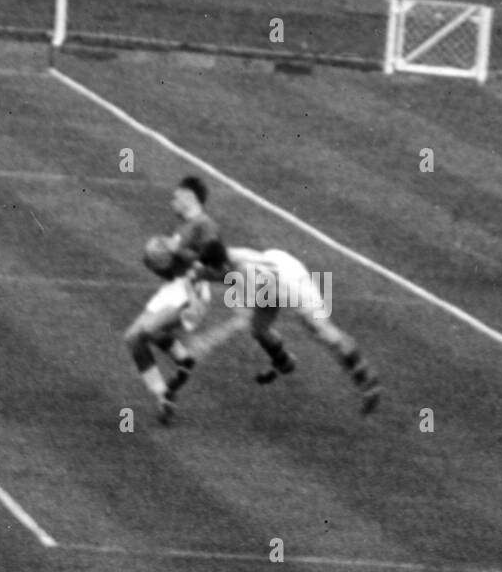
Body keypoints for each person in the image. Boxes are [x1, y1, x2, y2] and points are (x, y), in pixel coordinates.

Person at [216, 245, 382, 413]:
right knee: (259, 329)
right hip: (271, 277)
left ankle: (368, 381)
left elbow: (246, 301)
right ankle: (284, 361)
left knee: (323, 331)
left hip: (291, 280)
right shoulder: (225, 258)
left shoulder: (243, 272)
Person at [123, 176, 228, 423]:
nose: (172, 201)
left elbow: (222, 271)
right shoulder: (182, 228)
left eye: (175, 197)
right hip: (174, 287)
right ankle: (164, 395)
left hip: (192, 291)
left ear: (189, 197)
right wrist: (156, 263)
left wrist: (175, 250)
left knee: (148, 330)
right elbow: (175, 268)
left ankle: (182, 357)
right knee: (132, 339)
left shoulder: (205, 225)